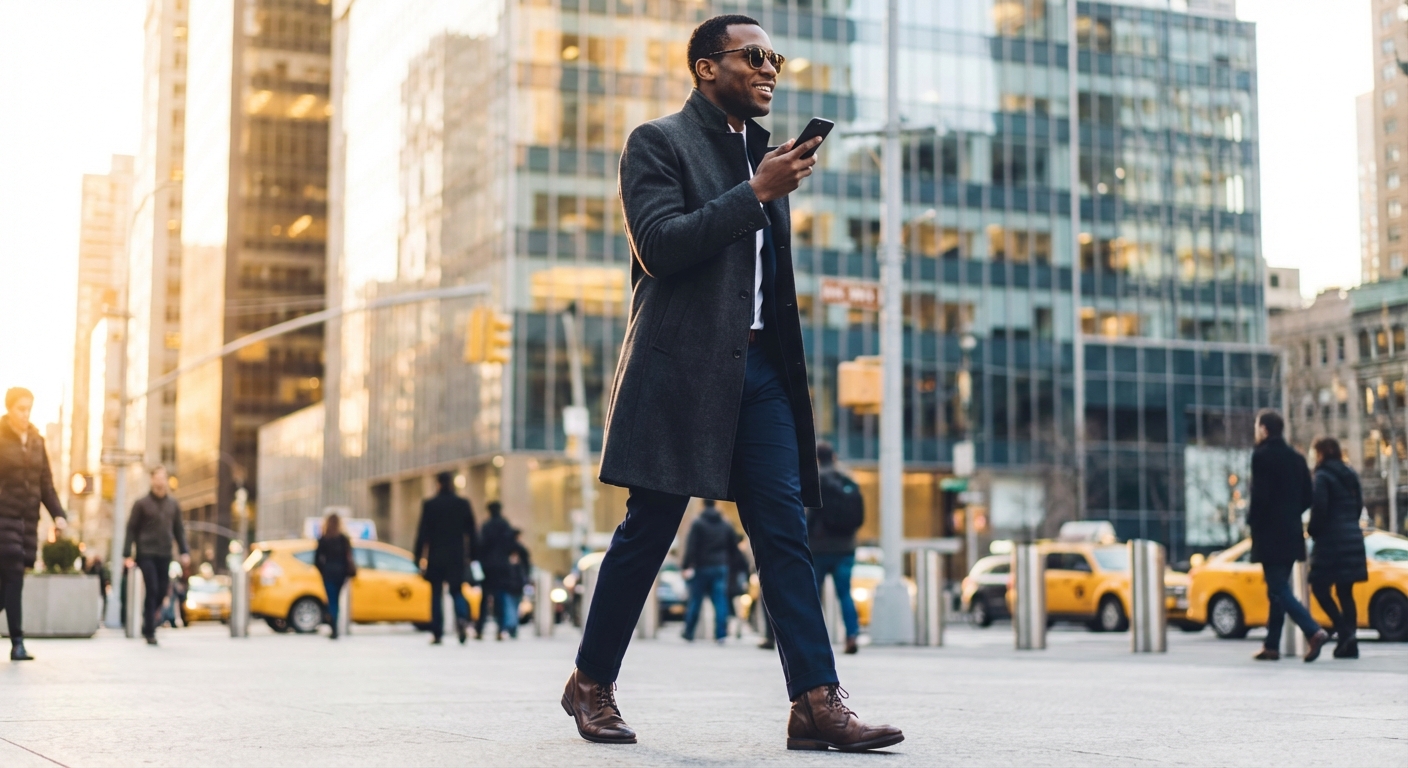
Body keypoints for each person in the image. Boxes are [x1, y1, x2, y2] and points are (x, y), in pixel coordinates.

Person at [560, 15, 902, 751]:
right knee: (650, 529)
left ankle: (816, 701)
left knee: (784, 531)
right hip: (679, 369)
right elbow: (659, 247)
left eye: (774, 56)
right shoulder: (657, 142)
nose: (769, 67)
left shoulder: (763, 156)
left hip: (760, 372)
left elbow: (764, 279)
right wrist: (755, 192)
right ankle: (590, 682)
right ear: (707, 67)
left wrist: (763, 183)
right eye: (753, 55)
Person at [1247, 409, 1329, 662]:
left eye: (1257, 427)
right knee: (1277, 589)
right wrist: (1290, 514)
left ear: (1264, 429)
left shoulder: (1261, 456)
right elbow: (1308, 497)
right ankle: (1271, 645)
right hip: (1291, 532)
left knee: (1278, 587)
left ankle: (1312, 631)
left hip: (1269, 534)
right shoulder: (1297, 458)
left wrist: (1253, 523)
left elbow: (1259, 497)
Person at [0, 388, 69, 661]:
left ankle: (17, 640)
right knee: (14, 574)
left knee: (6, 584)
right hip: (3, 519)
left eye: (29, 408)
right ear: (9, 409)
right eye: (21, 408)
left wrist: (58, 515)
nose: (25, 414)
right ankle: (17, 642)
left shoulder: (37, 441)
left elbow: (46, 484)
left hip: (27, 522)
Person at [1307, 437, 1368, 659]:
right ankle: (1349, 643)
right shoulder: (1349, 473)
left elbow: (1319, 508)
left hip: (1331, 541)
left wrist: (1312, 531)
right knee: (1345, 591)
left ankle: (1344, 632)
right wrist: (1349, 524)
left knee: (1319, 587)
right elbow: (1358, 506)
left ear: (1322, 453)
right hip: (1352, 537)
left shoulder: (1322, 476)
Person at [806, 442, 864, 655]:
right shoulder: (847, 480)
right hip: (846, 548)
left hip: (819, 548)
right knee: (845, 594)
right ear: (834, 457)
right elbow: (859, 518)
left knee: (813, 596)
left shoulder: (815, 481)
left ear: (816, 459)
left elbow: (809, 517)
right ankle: (852, 635)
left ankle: (814, 640)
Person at [124, 466, 191, 646]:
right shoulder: (141, 504)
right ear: (152, 480)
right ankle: (149, 629)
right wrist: (126, 554)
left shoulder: (173, 505)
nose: (160, 481)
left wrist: (184, 551)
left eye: (163, 478)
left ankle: (151, 620)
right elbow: (131, 529)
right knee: (152, 588)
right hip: (146, 553)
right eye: (157, 478)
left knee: (162, 591)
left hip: (165, 553)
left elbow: (179, 530)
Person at [414, 472, 477, 645]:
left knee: (436, 594)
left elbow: (422, 533)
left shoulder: (430, 505)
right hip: (456, 556)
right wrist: (473, 556)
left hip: (436, 556)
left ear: (438, 483)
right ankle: (462, 619)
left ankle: (437, 632)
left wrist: (418, 557)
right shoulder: (462, 504)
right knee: (456, 590)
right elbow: (471, 532)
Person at [681, 499, 738, 644]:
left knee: (696, 599)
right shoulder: (725, 524)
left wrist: (686, 565)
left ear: (703, 504)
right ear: (716, 504)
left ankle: (689, 632)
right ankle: (721, 634)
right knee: (720, 601)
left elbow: (691, 546)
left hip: (702, 566)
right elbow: (734, 548)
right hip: (720, 566)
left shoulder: (698, 523)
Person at [478, 501, 517, 641]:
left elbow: (481, 544)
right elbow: (511, 545)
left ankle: (479, 629)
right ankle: (500, 629)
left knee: (484, 598)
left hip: (488, 566)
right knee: (500, 598)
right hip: (502, 566)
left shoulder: (486, 526)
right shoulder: (505, 525)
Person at [315, 512, 357, 639]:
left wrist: (323, 571)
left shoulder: (324, 539)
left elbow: (317, 560)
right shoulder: (343, 539)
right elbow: (349, 557)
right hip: (341, 574)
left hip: (328, 573)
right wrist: (345, 571)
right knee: (336, 601)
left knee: (331, 600)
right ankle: (335, 627)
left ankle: (333, 627)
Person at [498, 528, 531, 640]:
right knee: (514, 606)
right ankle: (512, 626)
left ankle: (511, 626)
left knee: (509, 606)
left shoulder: (504, 550)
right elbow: (526, 567)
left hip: (508, 583)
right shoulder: (521, 550)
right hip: (517, 583)